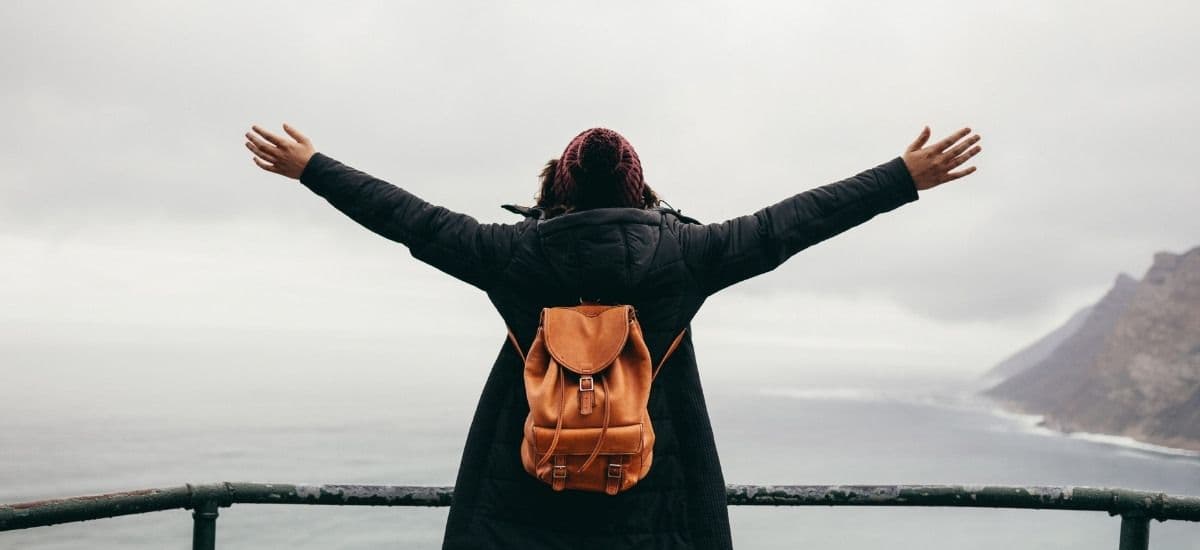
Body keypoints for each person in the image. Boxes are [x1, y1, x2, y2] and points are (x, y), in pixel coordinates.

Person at [244, 123, 982, 550]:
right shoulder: (689, 255)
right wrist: (902, 177)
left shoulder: (509, 255)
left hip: (526, 497)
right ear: (642, 190)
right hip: (651, 502)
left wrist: (311, 167)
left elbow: (407, 217)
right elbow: (798, 221)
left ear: (554, 188)